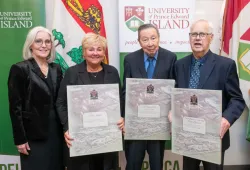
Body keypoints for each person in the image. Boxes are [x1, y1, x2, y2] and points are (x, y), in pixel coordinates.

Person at [169, 19, 246, 170]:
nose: (197, 38)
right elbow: (176, 95)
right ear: (189, 38)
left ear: (211, 37)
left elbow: (237, 100)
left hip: (213, 138)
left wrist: (226, 119)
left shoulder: (225, 65)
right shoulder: (179, 65)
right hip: (187, 136)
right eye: (194, 34)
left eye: (202, 34)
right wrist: (172, 110)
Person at [56, 32, 124, 170]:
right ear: (84, 52)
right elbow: (61, 103)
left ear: (104, 53)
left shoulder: (112, 72)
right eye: (91, 49)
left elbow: (120, 100)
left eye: (99, 49)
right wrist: (67, 128)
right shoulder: (72, 72)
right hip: (80, 137)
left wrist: (122, 117)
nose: (95, 53)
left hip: (107, 137)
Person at [7, 26, 64, 170]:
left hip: (56, 133)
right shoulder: (19, 69)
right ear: (30, 44)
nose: (44, 45)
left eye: (47, 41)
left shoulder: (56, 68)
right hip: (33, 136)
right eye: (38, 41)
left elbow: (61, 101)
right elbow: (15, 108)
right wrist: (20, 139)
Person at [122, 23, 177, 170]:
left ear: (159, 38)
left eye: (153, 38)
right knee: (133, 162)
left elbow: (173, 90)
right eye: (145, 39)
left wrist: (172, 118)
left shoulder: (170, 58)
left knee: (157, 163)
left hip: (159, 121)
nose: (150, 43)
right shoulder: (130, 59)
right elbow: (125, 91)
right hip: (136, 121)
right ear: (139, 41)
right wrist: (125, 118)